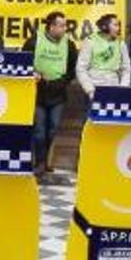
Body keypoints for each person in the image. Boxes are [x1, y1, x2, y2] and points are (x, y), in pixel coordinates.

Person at [23, 11, 78, 178]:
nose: (64, 28)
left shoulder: (69, 45)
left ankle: (45, 160)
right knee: (39, 130)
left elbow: (71, 71)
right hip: (38, 92)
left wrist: (60, 82)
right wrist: (33, 73)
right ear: (51, 26)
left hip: (58, 94)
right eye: (61, 25)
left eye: (65, 25)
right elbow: (23, 61)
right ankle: (39, 162)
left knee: (52, 129)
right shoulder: (34, 41)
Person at [75, 13, 131, 98]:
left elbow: (127, 68)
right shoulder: (90, 41)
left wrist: (123, 88)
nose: (118, 28)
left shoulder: (120, 43)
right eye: (115, 25)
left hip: (114, 89)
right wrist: (90, 90)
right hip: (95, 88)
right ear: (105, 27)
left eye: (118, 25)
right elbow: (81, 68)